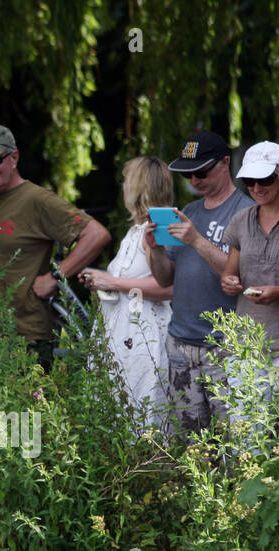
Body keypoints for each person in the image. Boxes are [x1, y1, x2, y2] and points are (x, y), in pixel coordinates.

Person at [0, 124, 111, 371]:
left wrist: (56, 276)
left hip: (26, 338)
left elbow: (96, 235)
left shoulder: (37, 200)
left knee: (23, 411)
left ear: (14, 158)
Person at [144, 131, 254, 437]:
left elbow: (242, 276)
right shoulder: (189, 212)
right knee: (192, 444)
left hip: (225, 345)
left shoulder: (245, 212)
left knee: (234, 440)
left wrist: (196, 240)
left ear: (224, 163)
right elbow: (166, 278)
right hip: (181, 342)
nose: (194, 180)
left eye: (201, 172)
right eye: (187, 174)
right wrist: (153, 249)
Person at [219, 142, 279, 440]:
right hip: (246, 346)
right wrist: (229, 282)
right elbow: (229, 275)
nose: (257, 187)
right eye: (250, 181)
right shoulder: (241, 220)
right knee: (249, 441)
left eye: (265, 179)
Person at [78, 157, 174, 434]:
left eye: (125, 180)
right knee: (118, 419)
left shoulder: (159, 229)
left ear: (138, 186)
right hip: (122, 333)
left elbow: (169, 289)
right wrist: (102, 281)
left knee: (143, 417)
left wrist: (114, 282)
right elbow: (130, 282)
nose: (122, 187)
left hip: (145, 337)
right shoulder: (134, 231)